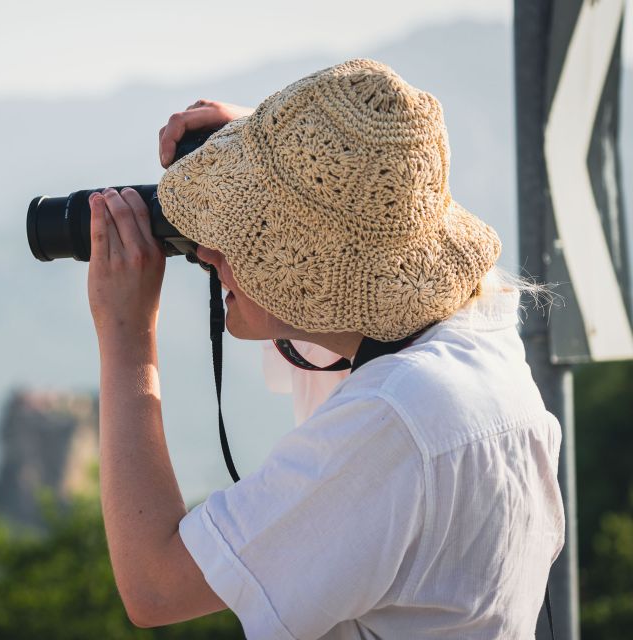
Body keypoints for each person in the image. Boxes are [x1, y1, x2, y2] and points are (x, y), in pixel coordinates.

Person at [85, 58, 565, 639]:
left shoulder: (395, 422)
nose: (209, 253)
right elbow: (377, 226)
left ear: (308, 274)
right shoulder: (474, 340)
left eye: (245, 237)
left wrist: (126, 332)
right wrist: (295, 152)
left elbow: (154, 587)